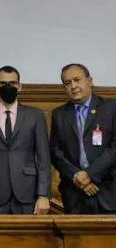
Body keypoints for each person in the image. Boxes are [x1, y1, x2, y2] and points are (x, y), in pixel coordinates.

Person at [0, 66, 50, 215]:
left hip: (29, 194)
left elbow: (44, 158)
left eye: (13, 83)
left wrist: (43, 195)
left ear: (20, 86)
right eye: (3, 83)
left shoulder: (35, 116)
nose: (8, 87)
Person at [50, 63, 116, 214]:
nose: (73, 86)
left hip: (108, 192)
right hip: (75, 194)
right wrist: (77, 177)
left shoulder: (111, 108)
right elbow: (55, 152)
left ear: (89, 81)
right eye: (68, 83)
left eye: (77, 80)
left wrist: (89, 175)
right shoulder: (59, 114)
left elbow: (114, 148)